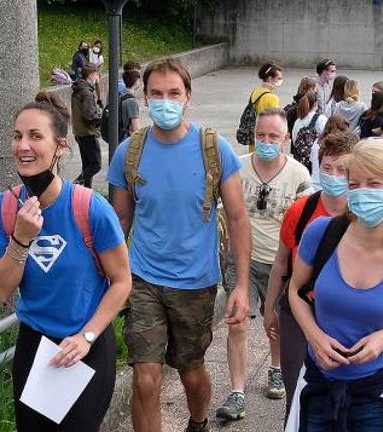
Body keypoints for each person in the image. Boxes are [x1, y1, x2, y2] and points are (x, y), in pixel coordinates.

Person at [107, 58, 251, 432]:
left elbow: (238, 219)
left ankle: (198, 422)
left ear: (188, 97)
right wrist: (104, 278)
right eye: (156, 94)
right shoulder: (129, 153)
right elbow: (119, 222)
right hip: (143, 280)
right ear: (145, 97)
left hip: (195, 283)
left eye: (174, 93)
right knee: (145, 378)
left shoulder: (214, 149)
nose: (165, 101)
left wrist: (241, 286)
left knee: (191, 372)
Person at [0, 92, 132, 431]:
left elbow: (122, 281)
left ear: (60, 147)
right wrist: (21, 238)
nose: (23, 145)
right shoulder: (3, 208)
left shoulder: (90, 208)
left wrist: (86, 337)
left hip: (85, 345)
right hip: (34, 345)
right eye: (17, 136)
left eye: (35, 136)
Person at [285, 139, 383, 431]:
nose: (362, 193)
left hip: (377, 394)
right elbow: (294, 291)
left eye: (373, 184)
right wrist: (313, 335)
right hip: (318, 386)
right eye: (354, 184)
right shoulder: (322, 234)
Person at [217, 108, 313, 422]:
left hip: (280, 264)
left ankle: (275, 367)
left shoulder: (299, 175)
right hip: (241, 261)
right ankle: (237, 392)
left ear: (285, 138)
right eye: (261, 135)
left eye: (273, 136)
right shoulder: (237, 168)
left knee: (276, 324)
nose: (266, 142)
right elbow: (223, 212)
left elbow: (305, 225)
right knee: (237, 323)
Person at [264, 131, 357, 421]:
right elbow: (281, 263)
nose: (334, 176)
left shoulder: (362, 215)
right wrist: (269, 309)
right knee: (296, 392)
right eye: (328, 168)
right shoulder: (301, 210)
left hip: (343, 317)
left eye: (342, 169)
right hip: (297, 310)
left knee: (340, 397)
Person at [71, 65, 103, 188]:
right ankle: (76, 184)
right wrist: (101, 118)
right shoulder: (86, 93)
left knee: (87, 165)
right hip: (88, 132)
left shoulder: (78, 89)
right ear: (92, 74)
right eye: (97, 75)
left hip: (79, 131)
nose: (98, 78)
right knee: (95, 165)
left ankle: (86, 190)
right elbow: (89, 115)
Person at [248, 62, 284, 152]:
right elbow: (276, 123)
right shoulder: (272, 98)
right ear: (270, 78)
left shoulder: (256, 92)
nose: (281, 81)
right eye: (279, 78)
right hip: (267, 142)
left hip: (255, 139)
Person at [292, 91, 329, 172]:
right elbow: (327, 138)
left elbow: (295, 140)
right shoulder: (321, 119)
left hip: (300, 161)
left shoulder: (298, 121)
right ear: (316, 104)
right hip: (315, 161)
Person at [312, 116, 351, 189]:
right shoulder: (325, 146)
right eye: (343, 130)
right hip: (319, 185)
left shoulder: (317, 142)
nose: (346, 133)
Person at [120, 68, 142, 141]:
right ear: (136, 81)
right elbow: (135, 128)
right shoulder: (131, 101)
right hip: (125, 138)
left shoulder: (121, 95)